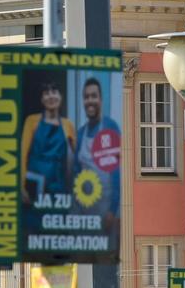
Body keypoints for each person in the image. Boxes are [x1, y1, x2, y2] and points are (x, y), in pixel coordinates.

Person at [73, 76, 121, 231]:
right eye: (86, 97)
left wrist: (112, 211)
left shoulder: (110, 127)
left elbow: (117, 173)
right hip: (85, 218)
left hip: (107, 217)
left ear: (100, 99)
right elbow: (75, 173)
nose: (90, 100)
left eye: (94, 96)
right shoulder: (80, 134)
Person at [20, 76, 76, 204]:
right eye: (46, 93)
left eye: (54, 92)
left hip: (59, 187)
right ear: (42, 99)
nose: (51, 96)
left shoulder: (68, 125)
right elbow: (23, 155)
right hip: (34, 186)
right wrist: (21, 187)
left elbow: (78, 157)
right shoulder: (31, 121)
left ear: (60, 96)